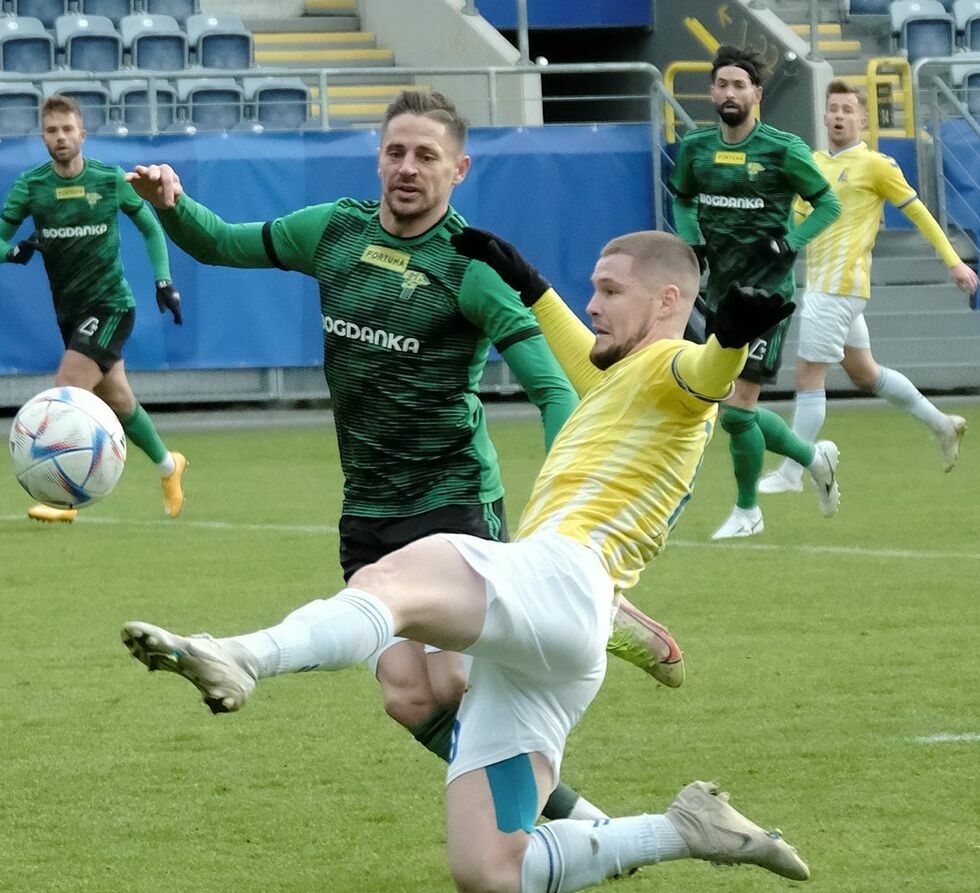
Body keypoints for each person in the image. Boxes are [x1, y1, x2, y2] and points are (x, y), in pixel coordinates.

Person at [120, 229, 810, 893]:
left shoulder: (674, 370)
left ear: (666, 303)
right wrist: (527, 277)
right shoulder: (620, 374)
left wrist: (730, 340)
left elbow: (705, 376)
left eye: (608, 291)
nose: (592, 304)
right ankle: (682, 829)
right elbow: (573, 343)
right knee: (491, 872)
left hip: (562, 576)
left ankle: (242, 655)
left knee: (393, 580)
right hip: (561, 639)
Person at [122, 89, 661, 821]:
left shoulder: (471, 266)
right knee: (411, 698)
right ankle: (583, 813)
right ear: (379, 156)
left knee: (465, 684)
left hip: (454, 501)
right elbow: (220, 242)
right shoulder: (333, 231)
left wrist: (565, 523)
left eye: (426, 156)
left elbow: (554, 390)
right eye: (396, 151)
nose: (407, 168)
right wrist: (171, 202)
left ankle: (585, 616)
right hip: (368, 505)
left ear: (459, 169)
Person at [759, 79, 979, 494]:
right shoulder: (814, 163)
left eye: (847, 110)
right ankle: (942, 425)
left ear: (862, 118)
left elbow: (920, 214)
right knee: (865, 373)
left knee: (809, 376)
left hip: (838, 286)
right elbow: (800, 222)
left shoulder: (876, 165)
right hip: (825, 284)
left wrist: (953, 261)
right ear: (824, 116)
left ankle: (791, 474)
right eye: (833, 109)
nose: (840, 116)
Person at [0, 95, 188, 524]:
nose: (60, 138)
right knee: (120, 402)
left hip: (111, 305)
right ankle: (170, 466)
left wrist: (164, 280)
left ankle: (65, 499)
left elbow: (151, 226)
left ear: (83, 134)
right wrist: (15, 251)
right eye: (51, 131)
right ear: (43, 137)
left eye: (67, 129)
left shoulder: (109, 179)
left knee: (66, 389)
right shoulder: (31, 186)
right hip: (70, 312)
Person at [669, 45, 844, 540]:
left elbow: (828, 205)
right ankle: (814, 457)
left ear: (757, 94)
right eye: (722, 84)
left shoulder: (782, 149)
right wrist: (692, 242)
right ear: (711, 92)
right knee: (730, 405)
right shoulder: (696, 148)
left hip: (767, 294)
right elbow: (682, 198)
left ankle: (749, 511)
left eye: (739, 85)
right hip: (722, 294)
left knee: (737, 407)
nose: (729, 92)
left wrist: (790, 241)